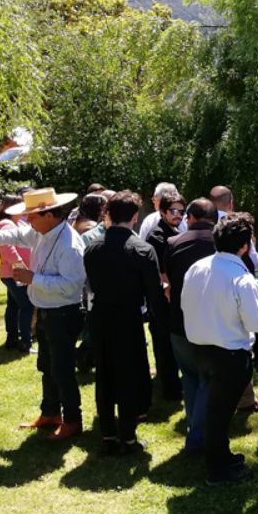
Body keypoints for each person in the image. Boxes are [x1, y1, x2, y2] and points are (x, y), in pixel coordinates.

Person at [0, 188, 86, 439]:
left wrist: (33, 278)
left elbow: (72, 284)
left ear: (50, 215)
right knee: (47, 365)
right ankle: (50, 413)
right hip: (47, 311)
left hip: (63, 313)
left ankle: (73, 419)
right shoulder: (42, 231)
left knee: (62, 369)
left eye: (32, 216)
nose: (28, 222)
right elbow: (17, 235)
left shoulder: (69, 245)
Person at [182, 213, 258, 485]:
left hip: (200, 348)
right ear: (245, 245)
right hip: (229, 354)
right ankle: (218, 470)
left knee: (217, 410)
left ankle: (221, 457)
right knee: (219, 414)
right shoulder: (241, 277)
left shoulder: (197, 268)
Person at [84, 191, 165, 454]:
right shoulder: (143, 250)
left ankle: (108, 434)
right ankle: (128, 436)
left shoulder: (92, 248)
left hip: (100, 316)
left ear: (108, 215)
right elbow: (153, 294)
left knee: (104, 374)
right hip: (128, 318)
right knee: (130, 374)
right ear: (134, 217)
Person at [163, 198, 218, 452]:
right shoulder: (221, 242)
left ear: (192, 217)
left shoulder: (173, 243)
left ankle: (195, 429)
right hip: (212, 320)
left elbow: (167, 282)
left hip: (179, 320)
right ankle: (198, 436)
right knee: (208, 378)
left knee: (190, 377)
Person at [145, 189, 185, 401]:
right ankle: (170, 388)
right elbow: (160, 272)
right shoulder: (158, 236)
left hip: (172, 299)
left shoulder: (175, 231)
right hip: (163, 300)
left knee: (172, 343)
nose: (178, 214)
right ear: (162, 212)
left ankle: (173, 384)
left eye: (181, 210)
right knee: (164, 344)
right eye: (173, 210)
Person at [0, 195, 34, 354]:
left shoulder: (17, 222)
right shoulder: (6, 224)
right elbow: (6, 248)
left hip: (12, 274)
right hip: (15, 274)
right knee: (26, 306)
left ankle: (12, 339)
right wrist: (21, 267)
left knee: (14, 306)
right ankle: (25, 342)